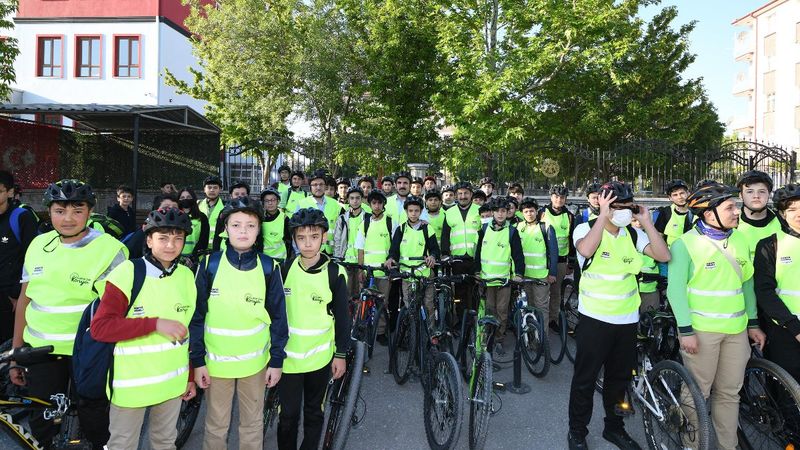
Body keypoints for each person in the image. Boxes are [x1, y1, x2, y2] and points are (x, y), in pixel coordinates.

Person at [13, 179, 128, 448]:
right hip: (42, 351)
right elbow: (24, 300)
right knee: (42, 421)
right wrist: (17, 351)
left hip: (88, 351)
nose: (68, 219)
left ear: (90, 212)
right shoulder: (38, 245)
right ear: (48, 211)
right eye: (59, 210)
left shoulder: (111, 249)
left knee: (94, 419)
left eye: (77, 210)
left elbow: (118, 311)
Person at [568, 181, 670, 450]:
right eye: (617, 207)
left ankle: (615, 428)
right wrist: (603, 216)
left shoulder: (633, 235)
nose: (624, 212)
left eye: (628, 206)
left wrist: (647, 223)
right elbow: (586, 250)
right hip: (594, 321)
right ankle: (577, 431)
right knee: (585, 381)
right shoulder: (585, 228)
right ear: (603, 205)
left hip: (626, 321)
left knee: (619, 380)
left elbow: (663, 255)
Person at [667, 182, 766, 450]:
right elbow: (675, 290)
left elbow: (746, 284)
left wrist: (753, 323)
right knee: (698, 393)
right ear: (710, 214)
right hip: (701, 332)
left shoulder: (740, 238)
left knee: (729, 394)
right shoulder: (684, 245)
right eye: (730, 207)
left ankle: (727, 447)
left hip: (736, 331)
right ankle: (694, 444)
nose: (737, 211)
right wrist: (686, 330)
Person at [90, 207, 196, 450]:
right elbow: (101, 328)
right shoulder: (129, 272)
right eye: (163, 238)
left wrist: (188, 375)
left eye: (178, 238)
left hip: (172, 382)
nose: (171, 245)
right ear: (149, 240)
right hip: (131, 387)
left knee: (165, 443)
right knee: (123, 445)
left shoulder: (187, 276)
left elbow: (185, 331)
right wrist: (154, 323)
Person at [190, 200, 288, 450]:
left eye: (250, 225)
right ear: (225, 229)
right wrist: (198, 360)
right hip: (216, 364)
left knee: (252, 423)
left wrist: (276, 361)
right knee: (215, 424)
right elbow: (197, 317)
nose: (243, 231)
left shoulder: (269, 267)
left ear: (258, 231)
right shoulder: (209, 264)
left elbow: (279, 318)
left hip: (254, 365)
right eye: (236, 225)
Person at [278, 208, 350, 450]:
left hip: (320, 359)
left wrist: (340, 355)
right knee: (287, 416)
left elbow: (342, 318)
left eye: (314, 236)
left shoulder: (335, 273)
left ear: (324, 237)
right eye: (301, 238)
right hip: (288, 360)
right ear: (294, 240)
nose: (307, 243)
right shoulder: (284, 270)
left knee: (313, 413)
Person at [755, 184, 800, 382]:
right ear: (782, 214)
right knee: (788, 396)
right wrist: (794, 328)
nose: (798, 214)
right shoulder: (769, 245)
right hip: (785, 330)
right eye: (792, 210)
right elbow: (764, 291)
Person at [473, 197, 524, 354]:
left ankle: (499, 339)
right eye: (497, 211)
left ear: (507, 212)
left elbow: (517, 254)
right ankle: (487, 336)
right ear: (492, 212)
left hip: (504, 280)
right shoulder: (483, 229)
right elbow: (478, 252)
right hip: (487, 279)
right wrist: (477, 271)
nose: (500, 214)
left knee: (502, 311)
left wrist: (519, 273)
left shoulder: (511, 231)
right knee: (489, 309)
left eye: (503, 211)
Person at [387, 196, 439, 319]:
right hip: (406, 274)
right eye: (410, 211)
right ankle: (411, 332)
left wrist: (432, 256)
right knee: (409, 305)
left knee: (428, 304)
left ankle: (430, 334)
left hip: (424, 272)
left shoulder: (427, 228)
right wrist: (391, 258)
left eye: (416, 211)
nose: (413, 214)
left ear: (421, 212)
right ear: (406, 212)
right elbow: (394, 249)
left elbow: (435, 248)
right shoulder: (400, 229)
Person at [0, 171, 37, 343]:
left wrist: (17, 295)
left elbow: (31, 258)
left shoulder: (22, 217)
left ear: (9, 192)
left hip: (11, 300)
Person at [355, 191, 394, 344]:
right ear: (370, 205)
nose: (377, 206)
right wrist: (360, 269)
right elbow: (360, 248)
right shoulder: (365, 223)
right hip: (368, 271)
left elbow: (394, 247)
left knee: (382, 303)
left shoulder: (391, 222)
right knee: (364, 302)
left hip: (384, 272)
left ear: (383, 204)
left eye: (379, 203)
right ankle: (362, 330)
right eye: (374, 203)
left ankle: (381, 332)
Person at [441, 181, 482, 313]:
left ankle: (476, 320)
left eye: (466, 193)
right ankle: (461, 320)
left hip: (476, 258)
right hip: (457, 259)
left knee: (476, 290)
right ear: (456, 196)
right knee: (459, 292)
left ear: (471, 195)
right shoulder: (449, 212)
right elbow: (445, 235)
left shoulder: (480, 210)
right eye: (460, 193)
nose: (463, 196)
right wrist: (445, 254)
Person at [517, 197, 558, 324]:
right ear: (522, 213)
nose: (529, 214)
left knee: (541, 308)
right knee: (528, 306)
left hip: (542, 276)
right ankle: (530, 337)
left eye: (532, 211)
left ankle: (543, 340)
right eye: (526, 211)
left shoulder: (546, 227)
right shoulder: (518, 227)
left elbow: (553, 252)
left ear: (537, 212)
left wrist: (552, 273)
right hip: (525, 275)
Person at [540, 184, 575, 331]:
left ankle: (552, 320)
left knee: (555, 293)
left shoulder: (569, 216)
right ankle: (541, 321)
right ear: (551, 197)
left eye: (562, 197)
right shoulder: (542, 213)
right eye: (556, 196)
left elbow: (572, 240)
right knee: (541, 294)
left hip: (561, 260)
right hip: (543, 259)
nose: (559, 200)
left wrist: (570, 263)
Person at [736, 170, 781, 260]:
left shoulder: (782, 221)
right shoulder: (731, 223)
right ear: (741, 195)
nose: (756, 196)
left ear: (769, 194)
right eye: (749, 192)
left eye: (762, 191)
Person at [297, 170, 344, 255]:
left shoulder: (336, 205)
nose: (318, 187)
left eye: (321, 184)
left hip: (331, 251)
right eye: (315, 185)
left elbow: (341, 231)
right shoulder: (301, 204)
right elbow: (295, 230)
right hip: (309, 251)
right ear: (310, 187)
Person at [333, 186, 367, 298]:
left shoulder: (368, 218)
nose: (355, 201)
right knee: (346, 294)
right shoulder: (342, 219)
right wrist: (338, 258)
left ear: (362, 199)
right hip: (346, 261)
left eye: (358, 198)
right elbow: (337, 241)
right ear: (348, 200)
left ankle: (359, 316)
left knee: (360, 294)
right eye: (352, 198)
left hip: (361, 262)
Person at [125, 194, 179, 259]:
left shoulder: (178, 232)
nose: (171, 211)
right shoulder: (143, 234)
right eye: (166, 208)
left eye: (175, 208)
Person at [211, 182, 251, 251]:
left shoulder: (253, 213)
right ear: (231, 196)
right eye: (236, 194)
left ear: (247, 196)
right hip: (224, 252)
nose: (239, 196)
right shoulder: (224, 212)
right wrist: (215, 254)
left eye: (243, 194)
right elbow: (217, 236)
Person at [652, 179, 693, 247]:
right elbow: (658, 238)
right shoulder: (666, 213)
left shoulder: (698, 212)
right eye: (675, 195)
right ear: (670, 198)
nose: (679, 197)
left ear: (688, 193)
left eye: (682, 193)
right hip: (671, 254)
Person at [177, 187, 210, 267]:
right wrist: (179, 258)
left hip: (195, 260)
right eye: (182, 198)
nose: (185, 199)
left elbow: (203, 241)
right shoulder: (174, 216)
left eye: (188, 197)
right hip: (177, 259)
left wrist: (192, 258)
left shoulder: (202, 217)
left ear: (193, 199)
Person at [260, 188, 293, 262]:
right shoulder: (259, 218)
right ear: (263, 203)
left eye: (273, 200)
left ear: (278, 201)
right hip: (263, 258)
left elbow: (289, 241)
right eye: (267, 201)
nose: (270, 203)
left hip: (280, 260)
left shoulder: (285, 219)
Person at [199, 176, 225, 246]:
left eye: (215, 188)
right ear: (204, 189)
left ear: (220, 189)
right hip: (199, 248)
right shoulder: (197, 205)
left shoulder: (225, 207)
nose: (212, 190)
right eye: (209, 187)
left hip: (217, 248)